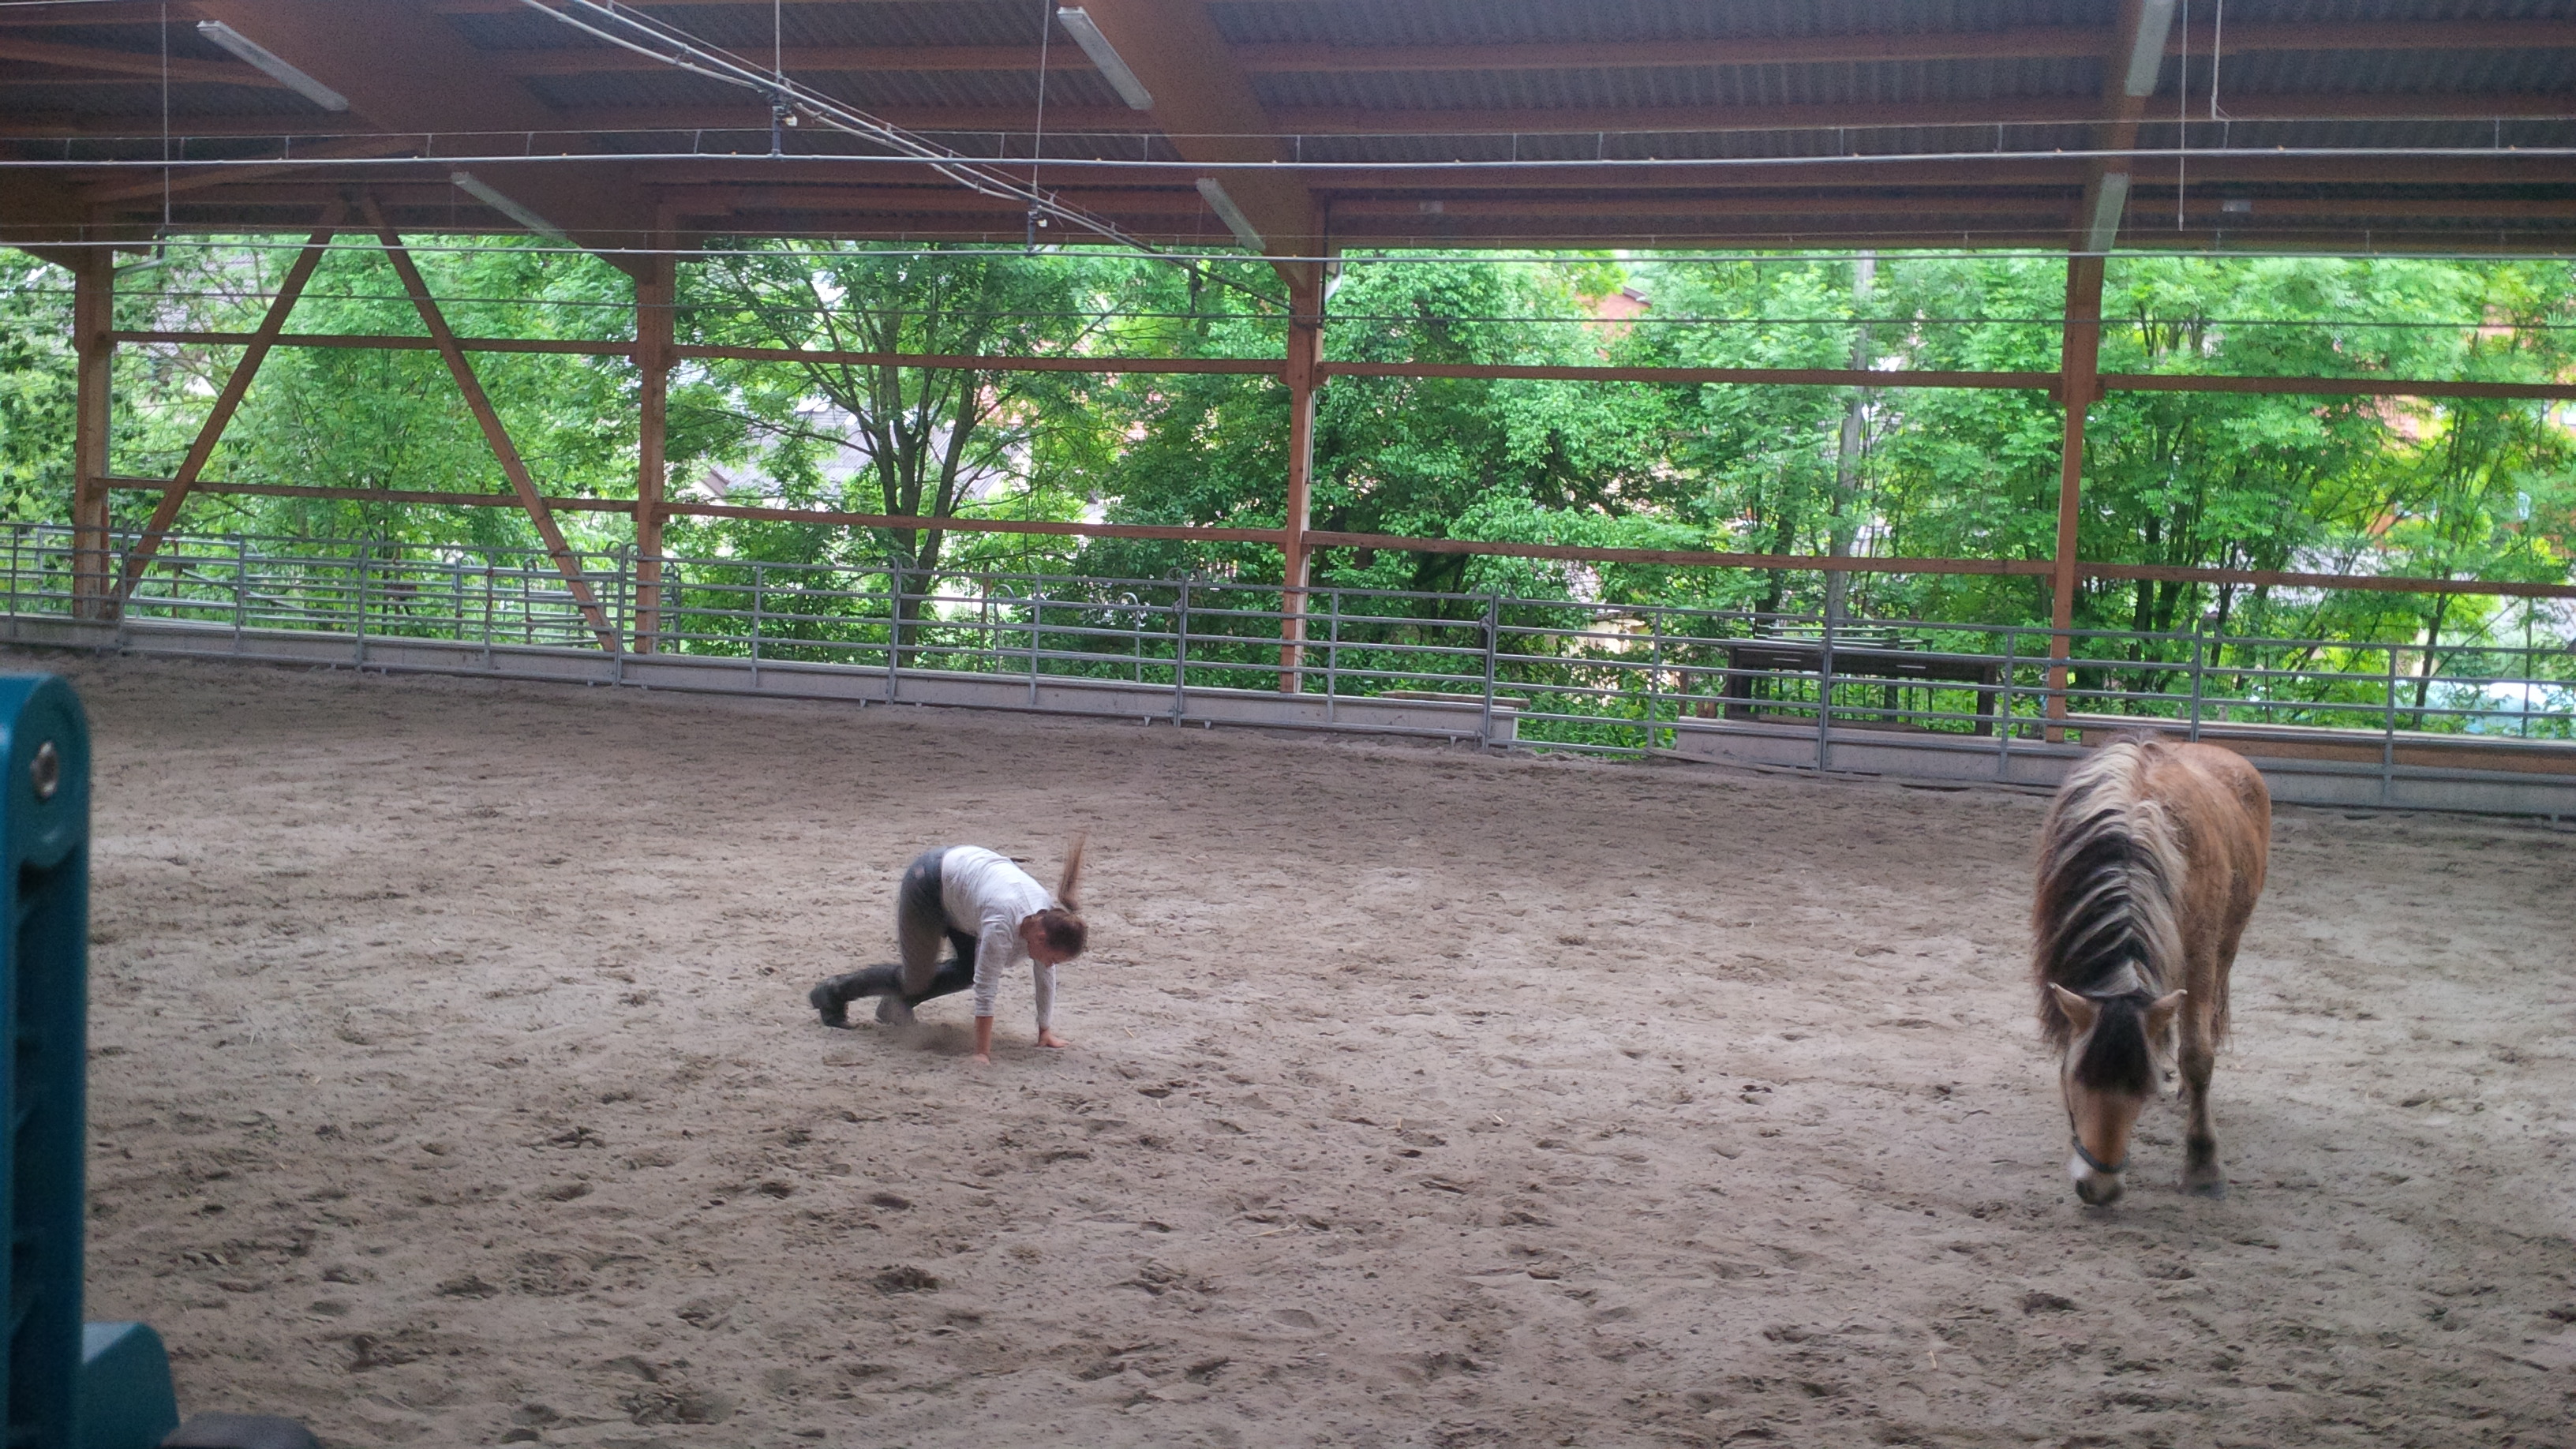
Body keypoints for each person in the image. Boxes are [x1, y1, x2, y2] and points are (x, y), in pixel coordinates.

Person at [807, 837, 1088, 1064]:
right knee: (916, 979)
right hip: (928, 883)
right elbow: (986, 986)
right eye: (1052, 959)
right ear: (1041, 938)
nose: (1050, 965)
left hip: (965, 897)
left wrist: (1044, 1031)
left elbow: (1044, 976)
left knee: (966, 970)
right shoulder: (1002, 921)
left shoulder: (1046, 920)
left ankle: (895, 1005)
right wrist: (982, 1053)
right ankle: (832, 993)